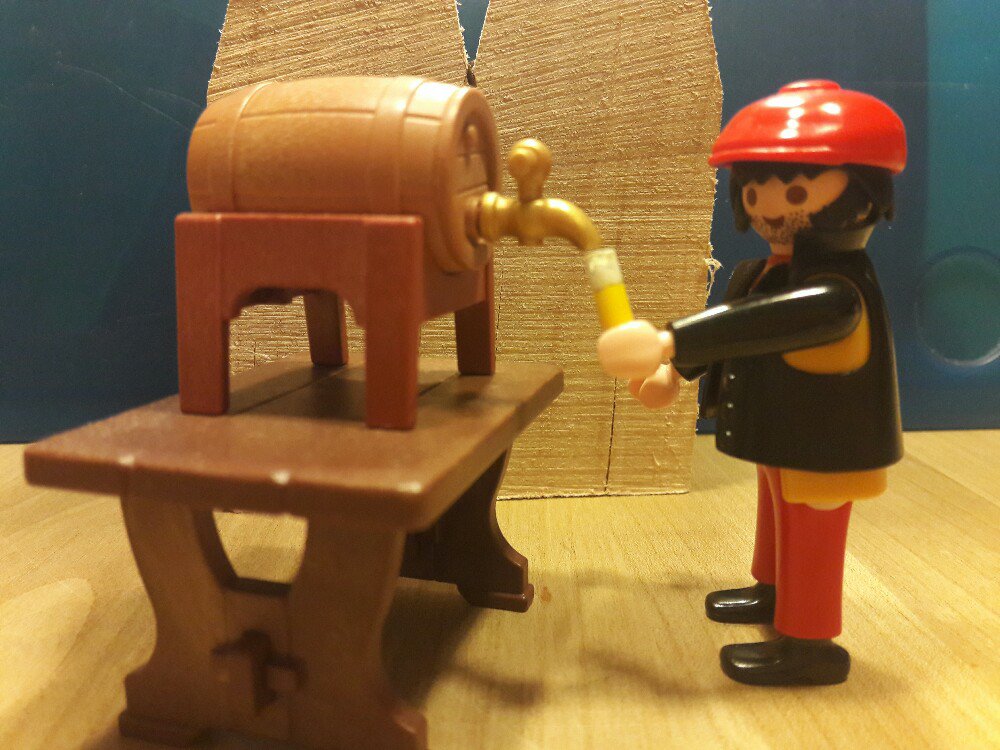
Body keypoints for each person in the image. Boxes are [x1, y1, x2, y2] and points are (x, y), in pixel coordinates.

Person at [597, 80, 906, 685]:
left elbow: (758, 324)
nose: (769, 208)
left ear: (863, 195)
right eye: (756, 189)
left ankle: (810, 642)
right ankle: (772, 590)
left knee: (812, 532)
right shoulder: (767, 273)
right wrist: (674, 371)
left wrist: (667, 341)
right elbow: (739, 327)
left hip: (826, 444)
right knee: (774, 509)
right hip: (785, 432)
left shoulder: (836, 292)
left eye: (796, 191)